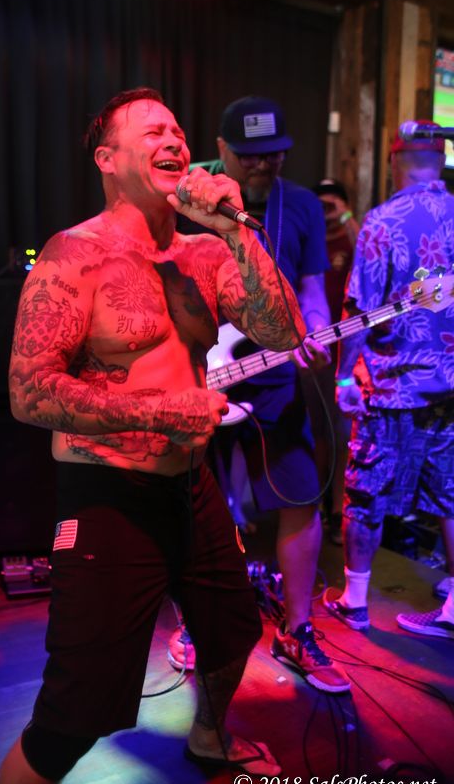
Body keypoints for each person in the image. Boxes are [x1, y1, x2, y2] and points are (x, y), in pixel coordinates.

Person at [0, 87, 308, 784]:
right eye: (151, 131)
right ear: (107, 159)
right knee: (72, 713)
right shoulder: (74, 255)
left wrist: (237, 231)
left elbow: (285, 331)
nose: (173, 140)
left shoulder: (206, 251)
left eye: (176, 130)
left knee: (231, 633)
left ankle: (210, 734)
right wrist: (163, 410)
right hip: (107, 495)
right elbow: (29, 391)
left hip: (191, 485)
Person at [168, 96, 351, 695]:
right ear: (221, 149)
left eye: (272, 154)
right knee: (197, 505)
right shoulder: (188, 200)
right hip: (198, 374)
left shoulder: (301, 205)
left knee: (301, 495)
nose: (262, 165)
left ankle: (298, 629)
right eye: (248, 156)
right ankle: (196, 624)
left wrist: (314, 330)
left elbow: (312, 289)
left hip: (275, 377)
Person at [323, 121, 454, 639]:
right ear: (440, 161)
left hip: (392, 385)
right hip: (451, 386)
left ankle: (355, 601)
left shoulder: (383, 222)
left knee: (366, 489)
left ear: (395, 162)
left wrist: (342, 379)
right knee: (452, 492)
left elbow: (361, 310)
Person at [307, 179, 360, 544]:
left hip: (345, 350)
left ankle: (339, 509)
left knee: (342, 433)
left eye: (332, 205)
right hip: (313, 348)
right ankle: (315, 505)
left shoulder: (352, 236)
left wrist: (346, 216)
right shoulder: (312, 239)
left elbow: (365, 262)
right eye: (320, 206)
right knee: (315, 431)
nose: (326, 212)